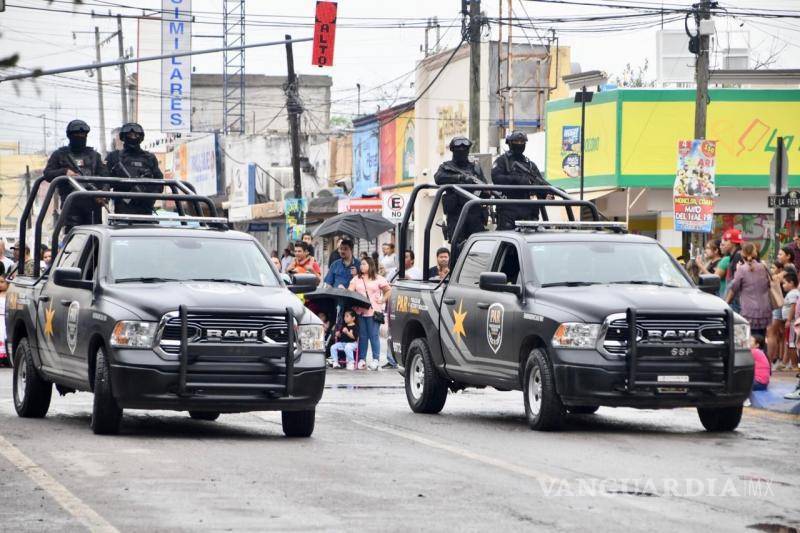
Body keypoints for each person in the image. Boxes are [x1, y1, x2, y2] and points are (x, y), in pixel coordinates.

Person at [43, 119, 108, 230]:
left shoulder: (94, 156)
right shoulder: (60, 154)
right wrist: (64, 172)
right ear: (70, 135)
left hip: (92, 203)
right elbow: (47, 174)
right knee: (73, 238)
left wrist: (103, 193)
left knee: (94, 239)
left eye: (83, 134)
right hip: (71, 203)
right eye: (76, 134)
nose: (80, 137)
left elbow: (106, 177)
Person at [491, 130, 550, 230]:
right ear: (510, 143)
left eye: (522, 142)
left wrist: (547, 192)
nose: (519, 144)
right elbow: (496, 178)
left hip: (528, 211)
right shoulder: (502, 161)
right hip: (508, 209)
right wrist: (516, 179)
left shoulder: (530, 165)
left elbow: (540, 182)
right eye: (516, 142)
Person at [434, 136, 489, 243]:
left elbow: (484, 186)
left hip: (474, 212)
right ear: (452, 150)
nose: (462, 152)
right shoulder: (446, 167)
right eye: (458, 150)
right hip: (456, 213)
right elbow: (438, 178)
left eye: (465, 149)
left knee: (477, 246)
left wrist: (486, 192)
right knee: (457, 246)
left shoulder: (475, 168)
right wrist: (460, 178)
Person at [106, 123, 164, 215]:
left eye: (136, 135)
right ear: (123, 137)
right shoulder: (114, 157)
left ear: (141, 137)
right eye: (130, 135)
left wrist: (149, 196)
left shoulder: (149, 158)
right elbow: (105, 182)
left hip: (145, 207)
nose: (133, 138)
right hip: (123, 207)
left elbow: (160, 183)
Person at [348, 257, 391, 371]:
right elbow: (350, 291)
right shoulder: (356, 279)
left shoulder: (378, 278)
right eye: (361, 264)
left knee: (374, 336)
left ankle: (375, 360)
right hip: (360, 312)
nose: (361, 266)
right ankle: (362, 359)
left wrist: (382, 300)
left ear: (370, 265)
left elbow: (388, 290)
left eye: (364, 264)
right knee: (362, 336)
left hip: (374, 311)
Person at [727, 242, 771, 336]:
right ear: (755, 253)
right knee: (761, 338)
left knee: (749, 339)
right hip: (764, 310)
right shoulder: (763, 267)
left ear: (742, 254)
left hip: (748, 311)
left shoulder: (742, 269)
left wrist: (726, 302)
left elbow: (734, 287)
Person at [779, 271, 799, 372]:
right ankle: (790, 363)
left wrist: (788, 320)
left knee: (791, 343)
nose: (783, 285)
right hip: (792, 322)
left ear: (791, 283)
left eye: (784, 283)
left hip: (792, 323)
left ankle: (795, 365)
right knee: (790, 343)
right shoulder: (794, 293)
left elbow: (793, 307)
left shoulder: (793, 294)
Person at [720, 228, 744, 311]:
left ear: (733, 243)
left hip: (735, 301)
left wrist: (727, 300)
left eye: (726, 240)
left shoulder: (737, 256)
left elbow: (736, 281)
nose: (723, 243)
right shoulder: (735, 256)